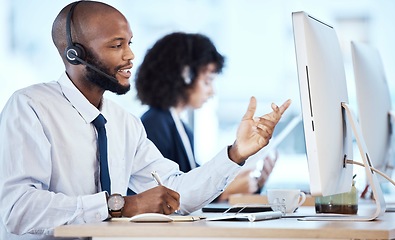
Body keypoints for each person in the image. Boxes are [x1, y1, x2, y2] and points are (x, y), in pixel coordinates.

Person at [0, 1, 291, 239]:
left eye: (129, 43)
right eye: (116, 46)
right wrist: (121, 206)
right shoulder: (31, 107)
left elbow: (178, 195)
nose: (130, 56)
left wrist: (235, 153)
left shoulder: (123, 122)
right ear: (75, 54)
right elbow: (17, 210)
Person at [135, 32, 278, 201]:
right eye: (207, 81)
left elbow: (196, 184)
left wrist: (253, 184)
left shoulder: (181, 128)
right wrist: (224, 192)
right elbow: (167, 196)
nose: (212, 91)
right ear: (185, 75)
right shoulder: (154, 125)